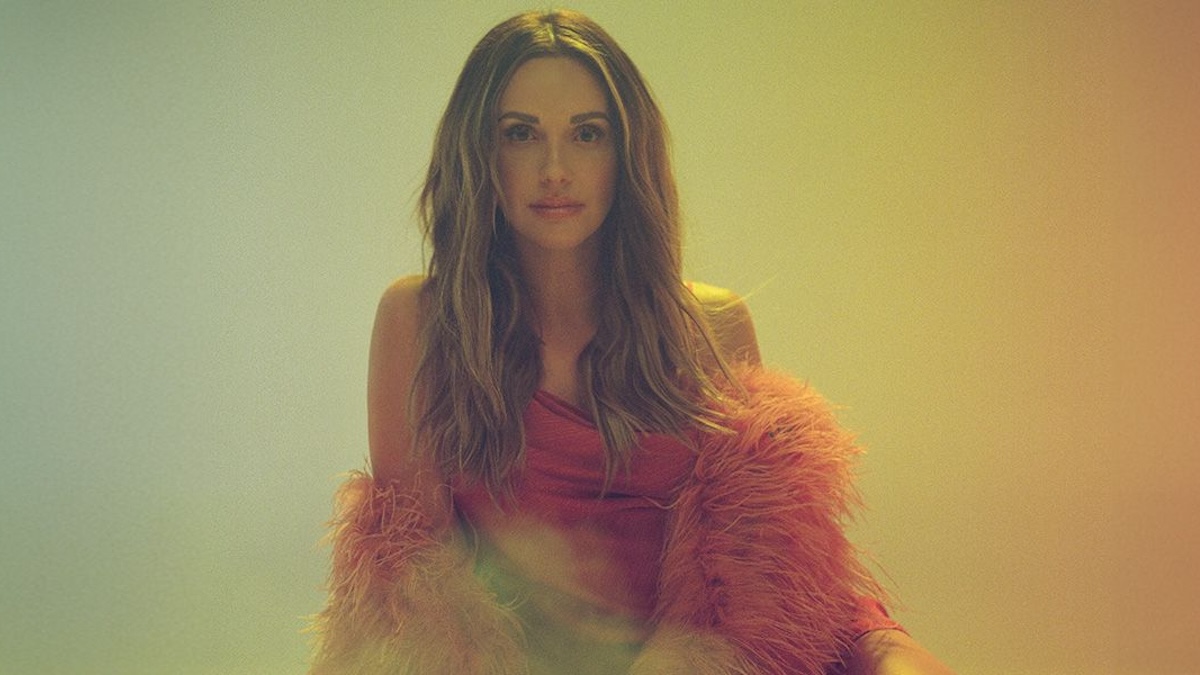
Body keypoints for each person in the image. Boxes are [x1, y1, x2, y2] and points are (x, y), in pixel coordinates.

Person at [308, 9, 954, 675]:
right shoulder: (422, 321)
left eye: (587, 134)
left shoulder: (711, 326)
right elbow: (419, 602)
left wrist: (885, 651)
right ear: (479, 154)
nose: (555, 169)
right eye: (520, 134)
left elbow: (765, 577)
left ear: (626, 154)